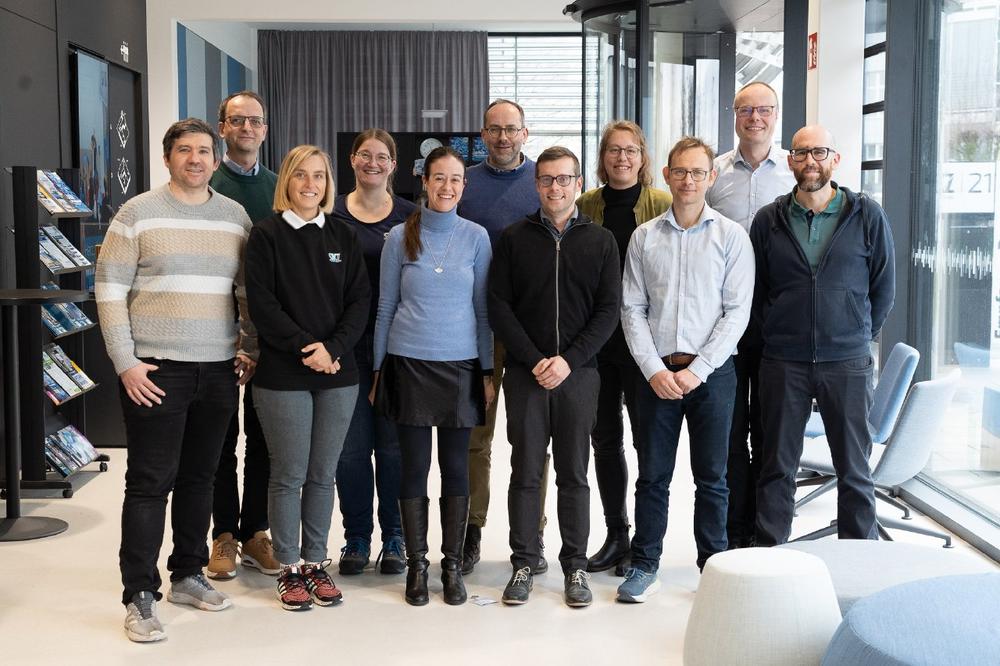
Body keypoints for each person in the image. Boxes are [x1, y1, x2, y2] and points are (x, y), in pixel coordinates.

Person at [95, 118, 257, 642]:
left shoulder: (234, 217)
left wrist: (248, 346)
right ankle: (139, 595)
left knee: (201, 478)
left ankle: (187, 574)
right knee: (149, 483)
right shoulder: (136, 214)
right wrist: (125, 361)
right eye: (184, 150)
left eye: (204, 150)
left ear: (216, 158)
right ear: (167, 158)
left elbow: (245, 291)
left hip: (218, 369)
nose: (195, 159)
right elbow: (109, 289)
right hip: (156, 370)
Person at [617, 137, 754, 603]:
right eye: (680, 171)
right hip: (656, 376)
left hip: (712, 376)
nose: (689, 180)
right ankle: (644, 565)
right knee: (652, 477)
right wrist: (653, 369)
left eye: (698, 172)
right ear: (667, 175)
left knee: (712, 478)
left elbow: (736, 312)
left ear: (711, 177)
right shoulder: (644, 237)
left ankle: (712, 568)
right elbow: (632, 308)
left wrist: (699, 370)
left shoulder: (731, 237)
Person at [489, 146, 620, 607]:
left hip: (579, 375)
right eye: (546, 179)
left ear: (579, 184)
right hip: (526, 375)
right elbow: (499, 306)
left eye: (564, 179)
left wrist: (569, 360)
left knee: (574, 473)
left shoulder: (601, 241)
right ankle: (524, 561)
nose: (555, 187)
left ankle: (575, 566)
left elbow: (608, 311)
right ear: (536, 184)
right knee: (525, 471)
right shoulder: (514, 238)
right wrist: (534, 360)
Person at [752, 125, 895, 546]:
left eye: (818, 152)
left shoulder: (867, 215)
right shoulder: (769, 220)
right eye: (800, 153)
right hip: (784, 361)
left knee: (855, 469)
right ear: (790, 161)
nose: (809, 161)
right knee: (777, 467)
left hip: (847, 362)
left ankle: (859, 560)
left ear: (835, 159)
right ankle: (771, 557)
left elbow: (883, 288)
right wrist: (777, 332)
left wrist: (855, 334)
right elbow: (755, 291)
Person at [245, 144, 369, 611]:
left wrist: (332, 349)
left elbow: (360, 301)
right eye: (301, 175)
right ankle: (289, 567)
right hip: (283, 375)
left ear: (328, 184)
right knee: (289, 473)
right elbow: (263, 306)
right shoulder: (266, 235)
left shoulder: (343, 235)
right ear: (287, 181)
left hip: (338, 372)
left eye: (319, 176)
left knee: (322, 473)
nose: (310, 184)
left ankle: (316, 563)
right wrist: (309, 350)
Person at [373, 146, 494, 606]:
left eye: (455, 179)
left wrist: (486, 370)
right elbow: (386, 307)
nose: (447, 187)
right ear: (424, 181)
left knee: (457, 468)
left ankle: (452, 566)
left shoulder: (477, 237)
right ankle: (417, 566)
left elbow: (482, 312)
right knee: (414, 467)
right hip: (408, 364)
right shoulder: (398, 237)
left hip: (461, 366)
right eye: (439, 178)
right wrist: (379, 370)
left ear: (465, 186)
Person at [576, 120, 671, 574]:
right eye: (614, 150)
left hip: (645, 345)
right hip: (597, 344)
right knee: (605, 441)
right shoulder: (585, 205)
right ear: (603, 157)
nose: (622, 158)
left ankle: (645, 542)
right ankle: (617, 534)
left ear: (642, 157)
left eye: (630, 150)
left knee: (647, 441)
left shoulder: (662, 204)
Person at [457, 98, 548, 575]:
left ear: (524, 133)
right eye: (494, 129)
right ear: (483, 134)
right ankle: (471, 529)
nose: (503, 137)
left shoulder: (542, 182)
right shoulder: (464, 183)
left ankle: (532, 534)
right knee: (476, 438)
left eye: (511, 129)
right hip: (478, 326)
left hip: (533, 330)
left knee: (531, 440)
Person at [706, 81, 797, 549]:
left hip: (776, 319)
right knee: (728, 431)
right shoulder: (714, 174)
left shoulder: (794, 172)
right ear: (735, 115)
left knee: (769, 431)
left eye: (764, 110)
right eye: (746, 110)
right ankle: (734, 533)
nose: (755, 118)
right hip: (721, 319)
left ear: (775, 115)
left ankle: (768, 535)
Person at [332, 129, 416, 576]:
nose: (373, 163)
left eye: (382, 157)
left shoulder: (409, 216)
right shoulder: (330, 213)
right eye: (365, 155)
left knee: (393, 448)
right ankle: (357, 537)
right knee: (350, 449)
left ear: (393, 165)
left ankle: (396, 535)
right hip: (345, 348)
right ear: (352, 159)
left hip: (397, 348)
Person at [207, 89, 281, 580]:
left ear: (265, 129)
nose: (247, 128)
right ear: (223, 128)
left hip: (266, 334)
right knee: (219, 437)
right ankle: (223, 535)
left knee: (262, 437)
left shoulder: (279, 188)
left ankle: (255, 530)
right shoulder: (206, 184)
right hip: (212, 332)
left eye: (254, 121)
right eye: (237, 121)